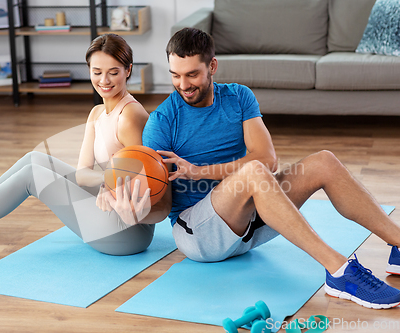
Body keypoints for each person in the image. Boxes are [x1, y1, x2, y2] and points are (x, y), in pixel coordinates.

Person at [104, 27, 400, 309]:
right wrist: (139, 213)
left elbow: (267, 159)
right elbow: (162, 204)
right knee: (254, 173)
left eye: (192, 74)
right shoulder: (162, 121)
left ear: (213, 66)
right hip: (199, 235)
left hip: (250, 222)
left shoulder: (239, 96)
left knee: (324, 161)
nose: (183, 85)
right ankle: (339, 271)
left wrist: (198, 171)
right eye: (176, 76)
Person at [0, 33, 154, 257]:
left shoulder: (130, 117)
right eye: (97, 72)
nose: (104, 80)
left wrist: (107, 183)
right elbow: (82, 174)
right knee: (34, 159)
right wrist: (104, 181)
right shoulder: (97, 113)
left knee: (33, 176)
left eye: (113, 72)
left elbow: (143, 181)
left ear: (128, 70)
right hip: (105, 208)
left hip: (128, 230)